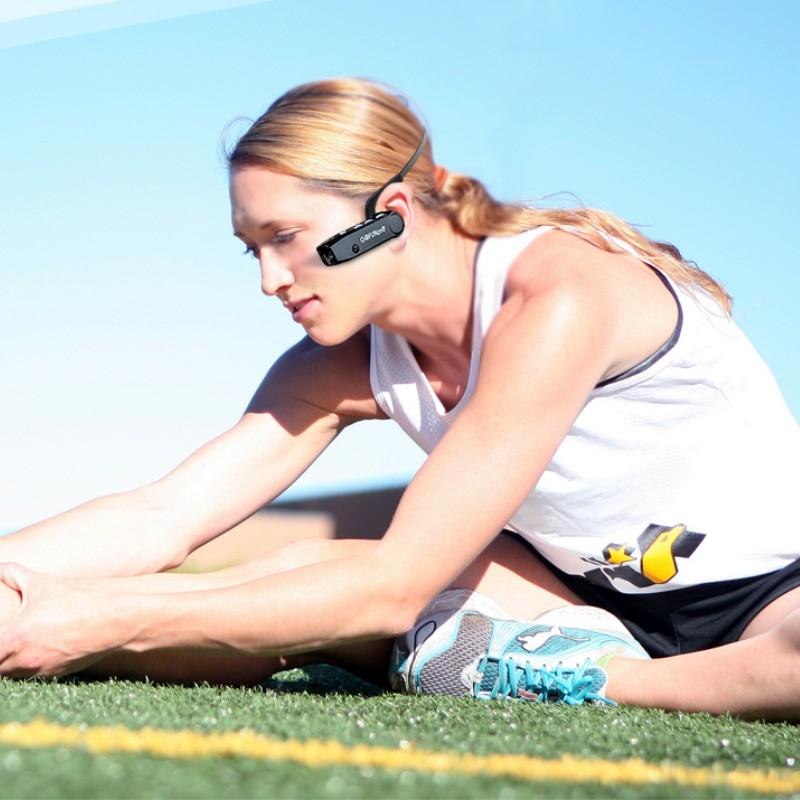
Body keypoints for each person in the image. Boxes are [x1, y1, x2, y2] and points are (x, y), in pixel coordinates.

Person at [1, 77, 798, 719]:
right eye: (253, 249)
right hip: (559, 593)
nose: (270, 280)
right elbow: (164, 516)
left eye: (285, 238)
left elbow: (394, 588)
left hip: (769, 593)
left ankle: (587, 677)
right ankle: (523, 658)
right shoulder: (342, 363)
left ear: (387, 217)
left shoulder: (557, 295)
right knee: (297, 579)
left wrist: (111, 616)